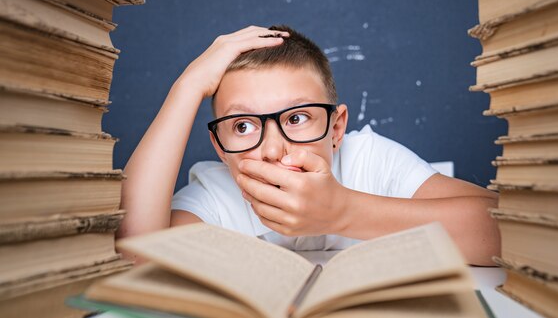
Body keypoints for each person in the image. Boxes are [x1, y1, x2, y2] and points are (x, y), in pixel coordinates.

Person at [118, 25, 500, 266]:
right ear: (220, 147)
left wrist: (344, 211)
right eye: (244, 125)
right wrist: (186, 89)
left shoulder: (370, 160)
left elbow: (505, 229)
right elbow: (136, 255)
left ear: (336, 130)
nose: (272, 150)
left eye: (297, 119)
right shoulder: (215, 196)